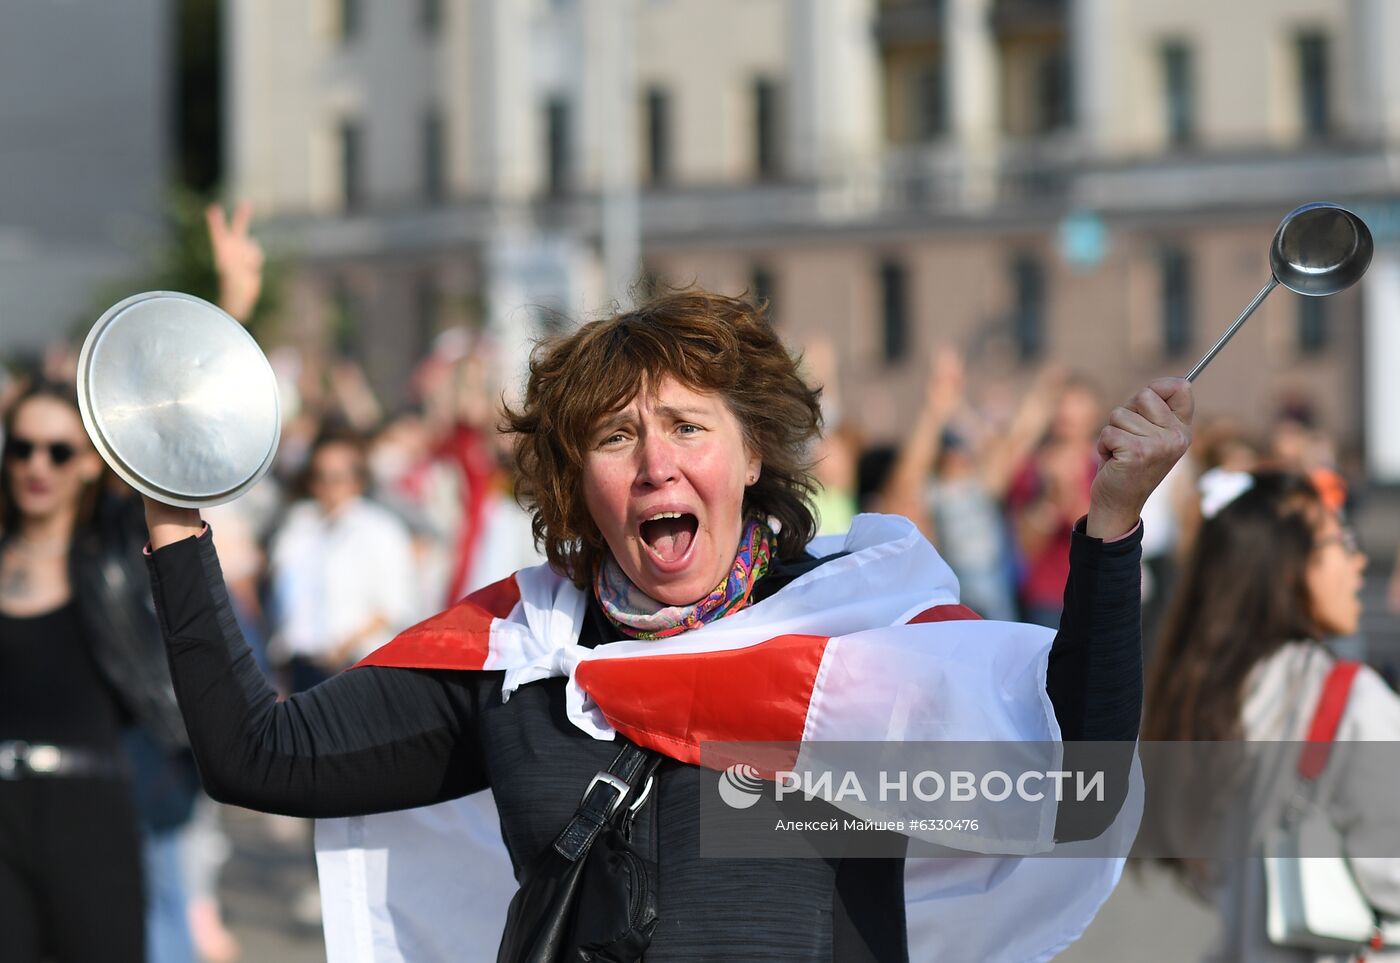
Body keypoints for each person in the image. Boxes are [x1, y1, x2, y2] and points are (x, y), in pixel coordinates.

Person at [140, 288, 1191, 960]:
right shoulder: (517, 654)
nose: (654, 464)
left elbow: (1076, 779)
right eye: (613, 436)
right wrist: (174, 514)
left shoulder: (863, 644)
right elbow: (256, 756)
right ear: (572, 482)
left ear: (748, 460)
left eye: (689, 427)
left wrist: (1109, 527)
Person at [1143, 472, 1400, 962]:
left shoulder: (1204, 697)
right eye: (1341, 542)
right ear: (1290, 568)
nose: (1359, 561)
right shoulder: (1347, 700)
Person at [0, 381, 196, 963]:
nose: (38, 465)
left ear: (89, 462)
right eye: (22, 447)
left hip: (90, 810)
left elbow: (172, 458)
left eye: (59, 451)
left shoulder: (115, 549)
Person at [268, 427, 417, 692]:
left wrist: (343, 647)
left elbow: (396, 606)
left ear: (357, 481)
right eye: (319, 477)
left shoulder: (381, 530)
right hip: (300, 666)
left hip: (354, 667)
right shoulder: (300, 525)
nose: (326, 487)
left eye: (335, 478)